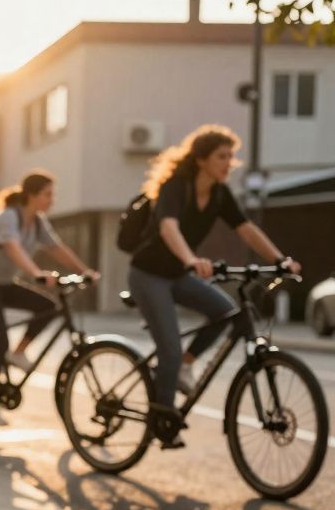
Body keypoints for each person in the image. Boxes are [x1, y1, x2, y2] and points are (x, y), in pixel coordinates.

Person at [128, 124, 299, 448]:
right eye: (222, 156)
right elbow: (168, 227)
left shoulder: (220, 193)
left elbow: (245, 228)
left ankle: (183, 368)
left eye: (231, 157)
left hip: (178, 273)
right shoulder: (177, 186)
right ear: (202, 159)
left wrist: (280, 260)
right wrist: (192, 259)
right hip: (148, 275)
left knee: (226, 312)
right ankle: (163, 421)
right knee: (170, 349)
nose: (229, 163)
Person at [0, 171, 96, 426]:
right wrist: (35, 273)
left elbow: (57, 248)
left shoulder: (37, 222)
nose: (52, 200)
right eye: (48, 194)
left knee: (48, 306)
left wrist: (85, 271)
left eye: (52, 194)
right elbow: (13, 248)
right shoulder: (7, 217)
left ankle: (19, 353)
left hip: (3, 283)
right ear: (31, 196)